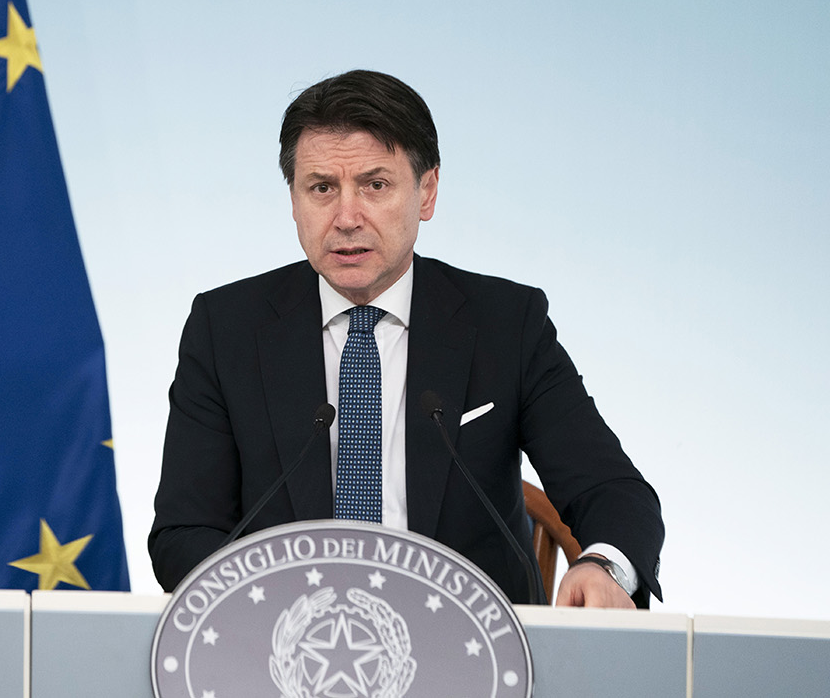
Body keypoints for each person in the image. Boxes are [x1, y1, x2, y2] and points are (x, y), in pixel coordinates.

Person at [149, 70, 663, 607]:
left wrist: (606, 565)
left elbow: (611, 490)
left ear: (427, 192)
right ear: (294, 200)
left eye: (375, 185)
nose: (346, 218)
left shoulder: (507, 324)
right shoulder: (225, 328)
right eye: (322, 188)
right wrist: (284, 613)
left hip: (472, 642)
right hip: (287, 635)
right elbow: (184, 532)